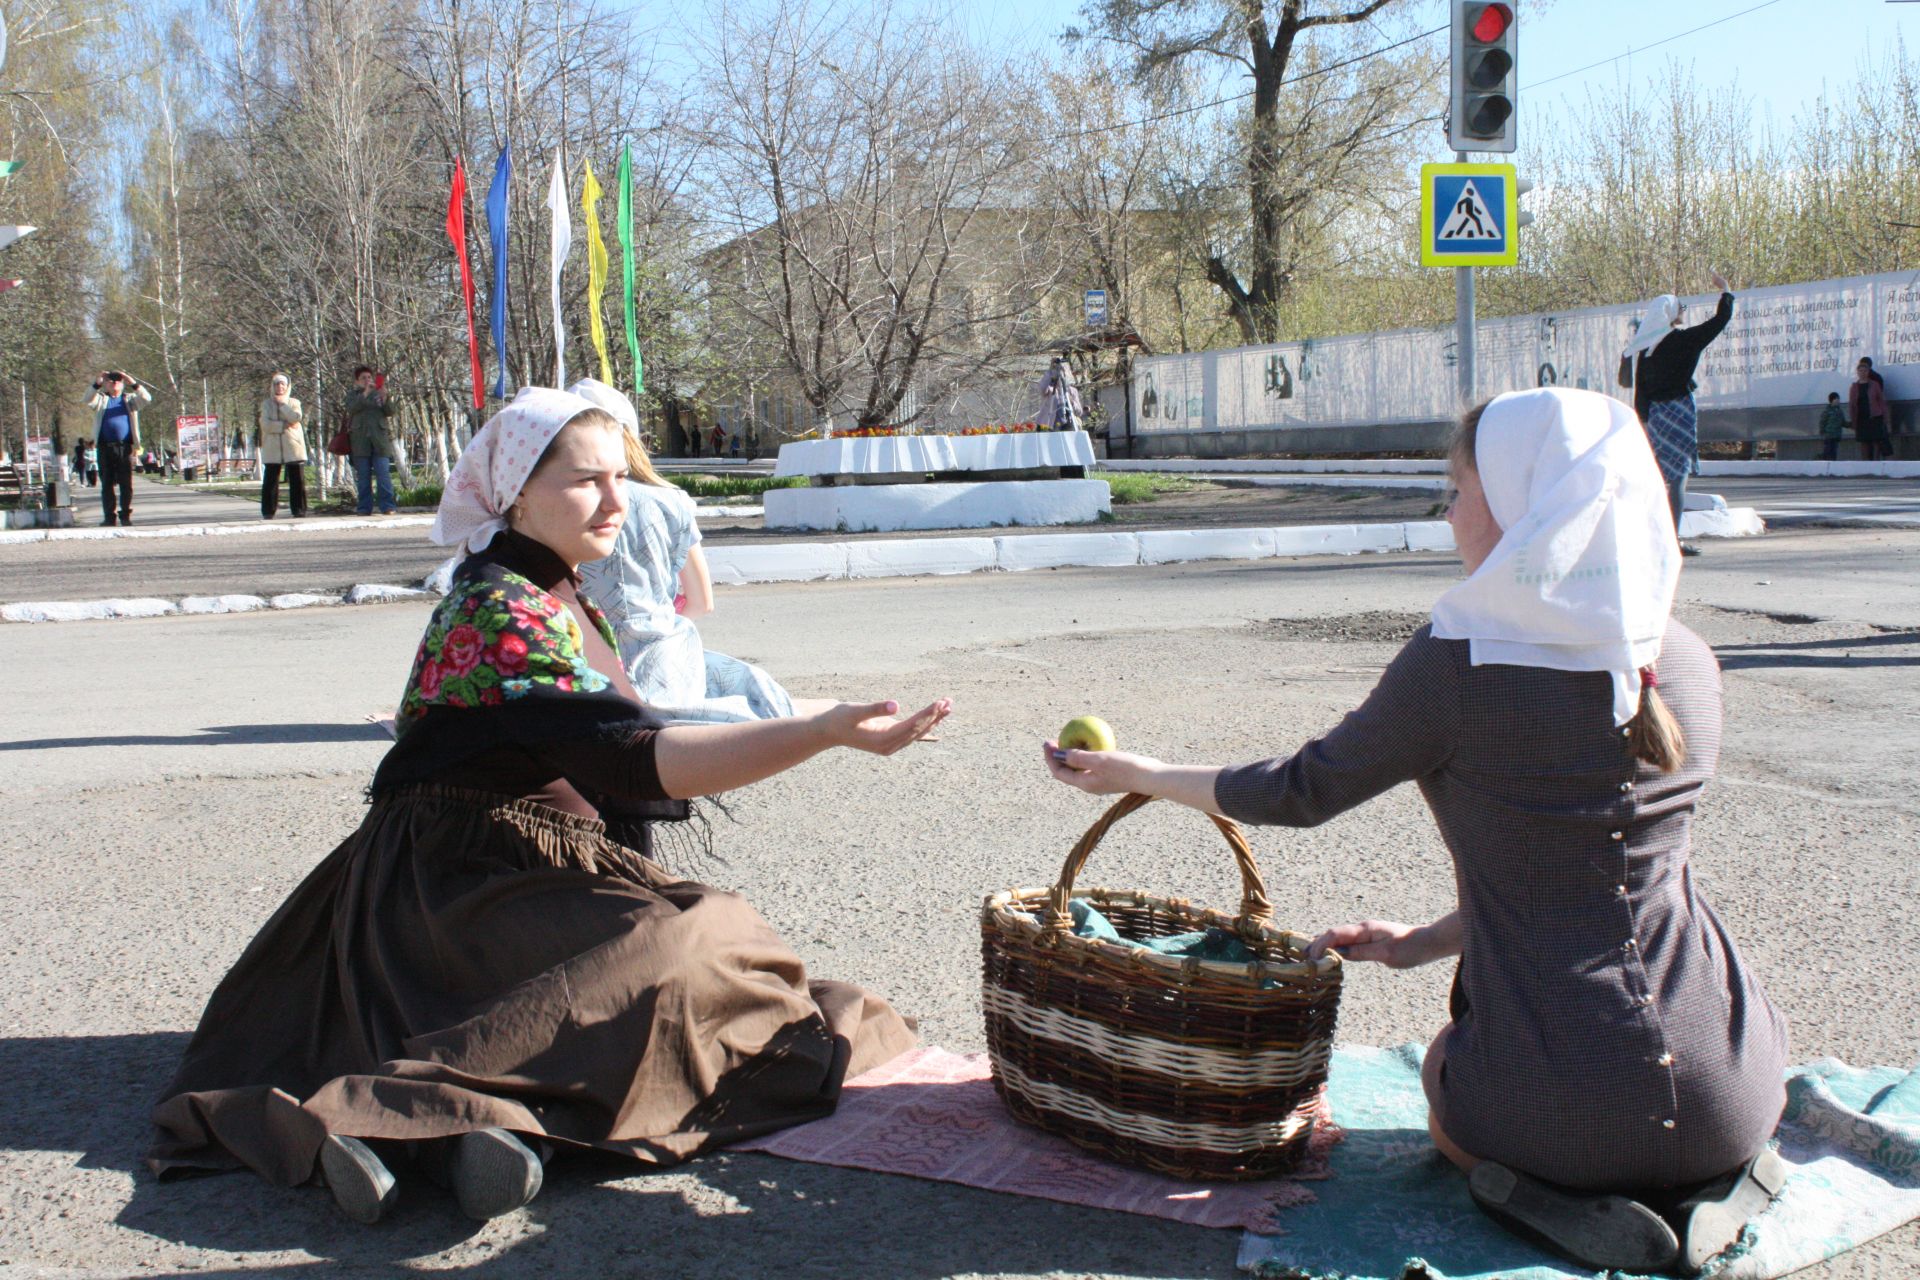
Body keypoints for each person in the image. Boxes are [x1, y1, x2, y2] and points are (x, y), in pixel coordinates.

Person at [148, 387, 947, 1226]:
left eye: (620, 477)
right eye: (585, 481)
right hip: (451, 890)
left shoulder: (554, 589)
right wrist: (821, 731)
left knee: (729, 967)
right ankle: (410, 1111)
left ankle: (496, 1130)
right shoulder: (500, 607)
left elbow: (622, 757)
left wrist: (813, 732)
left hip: (510, 865)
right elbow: (638, 759)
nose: (614, 500)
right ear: (518, 492)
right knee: (705, 949)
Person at [1044, 387, 1789, 1276]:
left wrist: (1137, 775)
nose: (1450, 514)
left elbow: (1301, 790)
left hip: (1558, 1113)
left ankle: (1551, 1201)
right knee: (1663, 1091)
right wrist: (1423, 943)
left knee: (1445, 1086)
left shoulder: (1458, 668)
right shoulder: (1685, 663)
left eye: (1460, 490)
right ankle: (1729, 1186)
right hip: (1735, 1085)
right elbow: (1590, 877)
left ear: (1524, 507)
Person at [570, 378, 811, 723]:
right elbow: (701, 601)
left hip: (583, 661)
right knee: (757, 700)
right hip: (664, 663)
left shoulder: (556, 509)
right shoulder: (671, 501)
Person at [1619, 274, 1734, 556]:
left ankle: (1649, 536)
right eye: (1681, 308)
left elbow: (1641, 392)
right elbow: (1719, 321)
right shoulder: (1683, 341)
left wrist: (1643, 422)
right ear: (1671, 315)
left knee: (1657, 477)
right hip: (1679, 411)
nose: (1684, 312)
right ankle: (1672, 540)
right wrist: (1726, 291)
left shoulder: (1646, 351)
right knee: (1678, 478)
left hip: (1656, 417)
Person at [87, 370, 152, 526]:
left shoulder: (129, 400)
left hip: (124, 447)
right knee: (107, 484)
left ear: (123, 384)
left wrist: (132, 382)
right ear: (106, 384)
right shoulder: (101, 400)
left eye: (117, 381)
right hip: (104, 447)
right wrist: (98, 382)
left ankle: (125, 516)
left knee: (125, 483)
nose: (114, 383)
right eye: (110, 381)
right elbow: (87, 399)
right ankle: (109, 517)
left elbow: (147, 398)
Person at [343, 365, 398, 515]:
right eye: (363, 378)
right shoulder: (353, 395)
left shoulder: (378, 394)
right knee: (363, 477)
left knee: (383, 474)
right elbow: (351, 408)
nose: (367, 380)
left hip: (379, 441)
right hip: (360, 442)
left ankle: (387, 506)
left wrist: (386, 397)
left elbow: (391, 411)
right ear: (357, 381)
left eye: (369, 377)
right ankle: (364, 507)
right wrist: (365, 394)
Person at [257, 373, 308, 519]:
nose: (280, 387)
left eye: (282, 384)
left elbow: (296, 417)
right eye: (277, 384)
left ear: (287, 387)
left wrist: (283, 405)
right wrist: (283, 425)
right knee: (271, 480)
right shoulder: (266, 404)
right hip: (272, 447)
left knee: (297, 479)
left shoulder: (294, 402)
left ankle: (299, 510)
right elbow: (265, 425)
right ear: (272, 386)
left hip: (293, 446)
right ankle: (268, 511)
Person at [1849, 357, 1892, 462]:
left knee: (1876, 440)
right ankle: (1866, 463)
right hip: (1861, 417)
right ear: (1857, 372)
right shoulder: (1854, 387)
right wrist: (1853, 419)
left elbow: (1881, 401)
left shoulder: (1874, 384)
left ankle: (1876, 461)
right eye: (1860, 371)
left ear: (1868, 371)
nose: (1862, 373)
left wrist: (1885, 416)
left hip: (1874, 416)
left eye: (1865, 371)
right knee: (1864, 441)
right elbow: (1852, 404)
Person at [1817, 391, 1847, 462]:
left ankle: (1832, 465)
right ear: (1832, 400)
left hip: (1836, 436)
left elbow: (1843, 422)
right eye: (1836, 399)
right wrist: (1822, 431)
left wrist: (1851, 425)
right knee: (1827, 452)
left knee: (1833, 453)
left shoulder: (1839, 411)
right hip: (1829, 435)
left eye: (1838, 399)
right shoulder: (1827, 411)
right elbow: (1822, 422)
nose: (1838, 400)